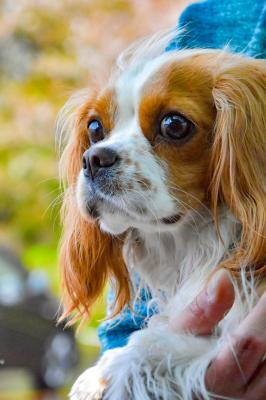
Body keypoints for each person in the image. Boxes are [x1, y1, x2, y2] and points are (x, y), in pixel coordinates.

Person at [98, 0, 266, 397]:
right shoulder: (219, 20)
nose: (99, 154)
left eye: (173, 127)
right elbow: (126, 328)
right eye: (97, 129)